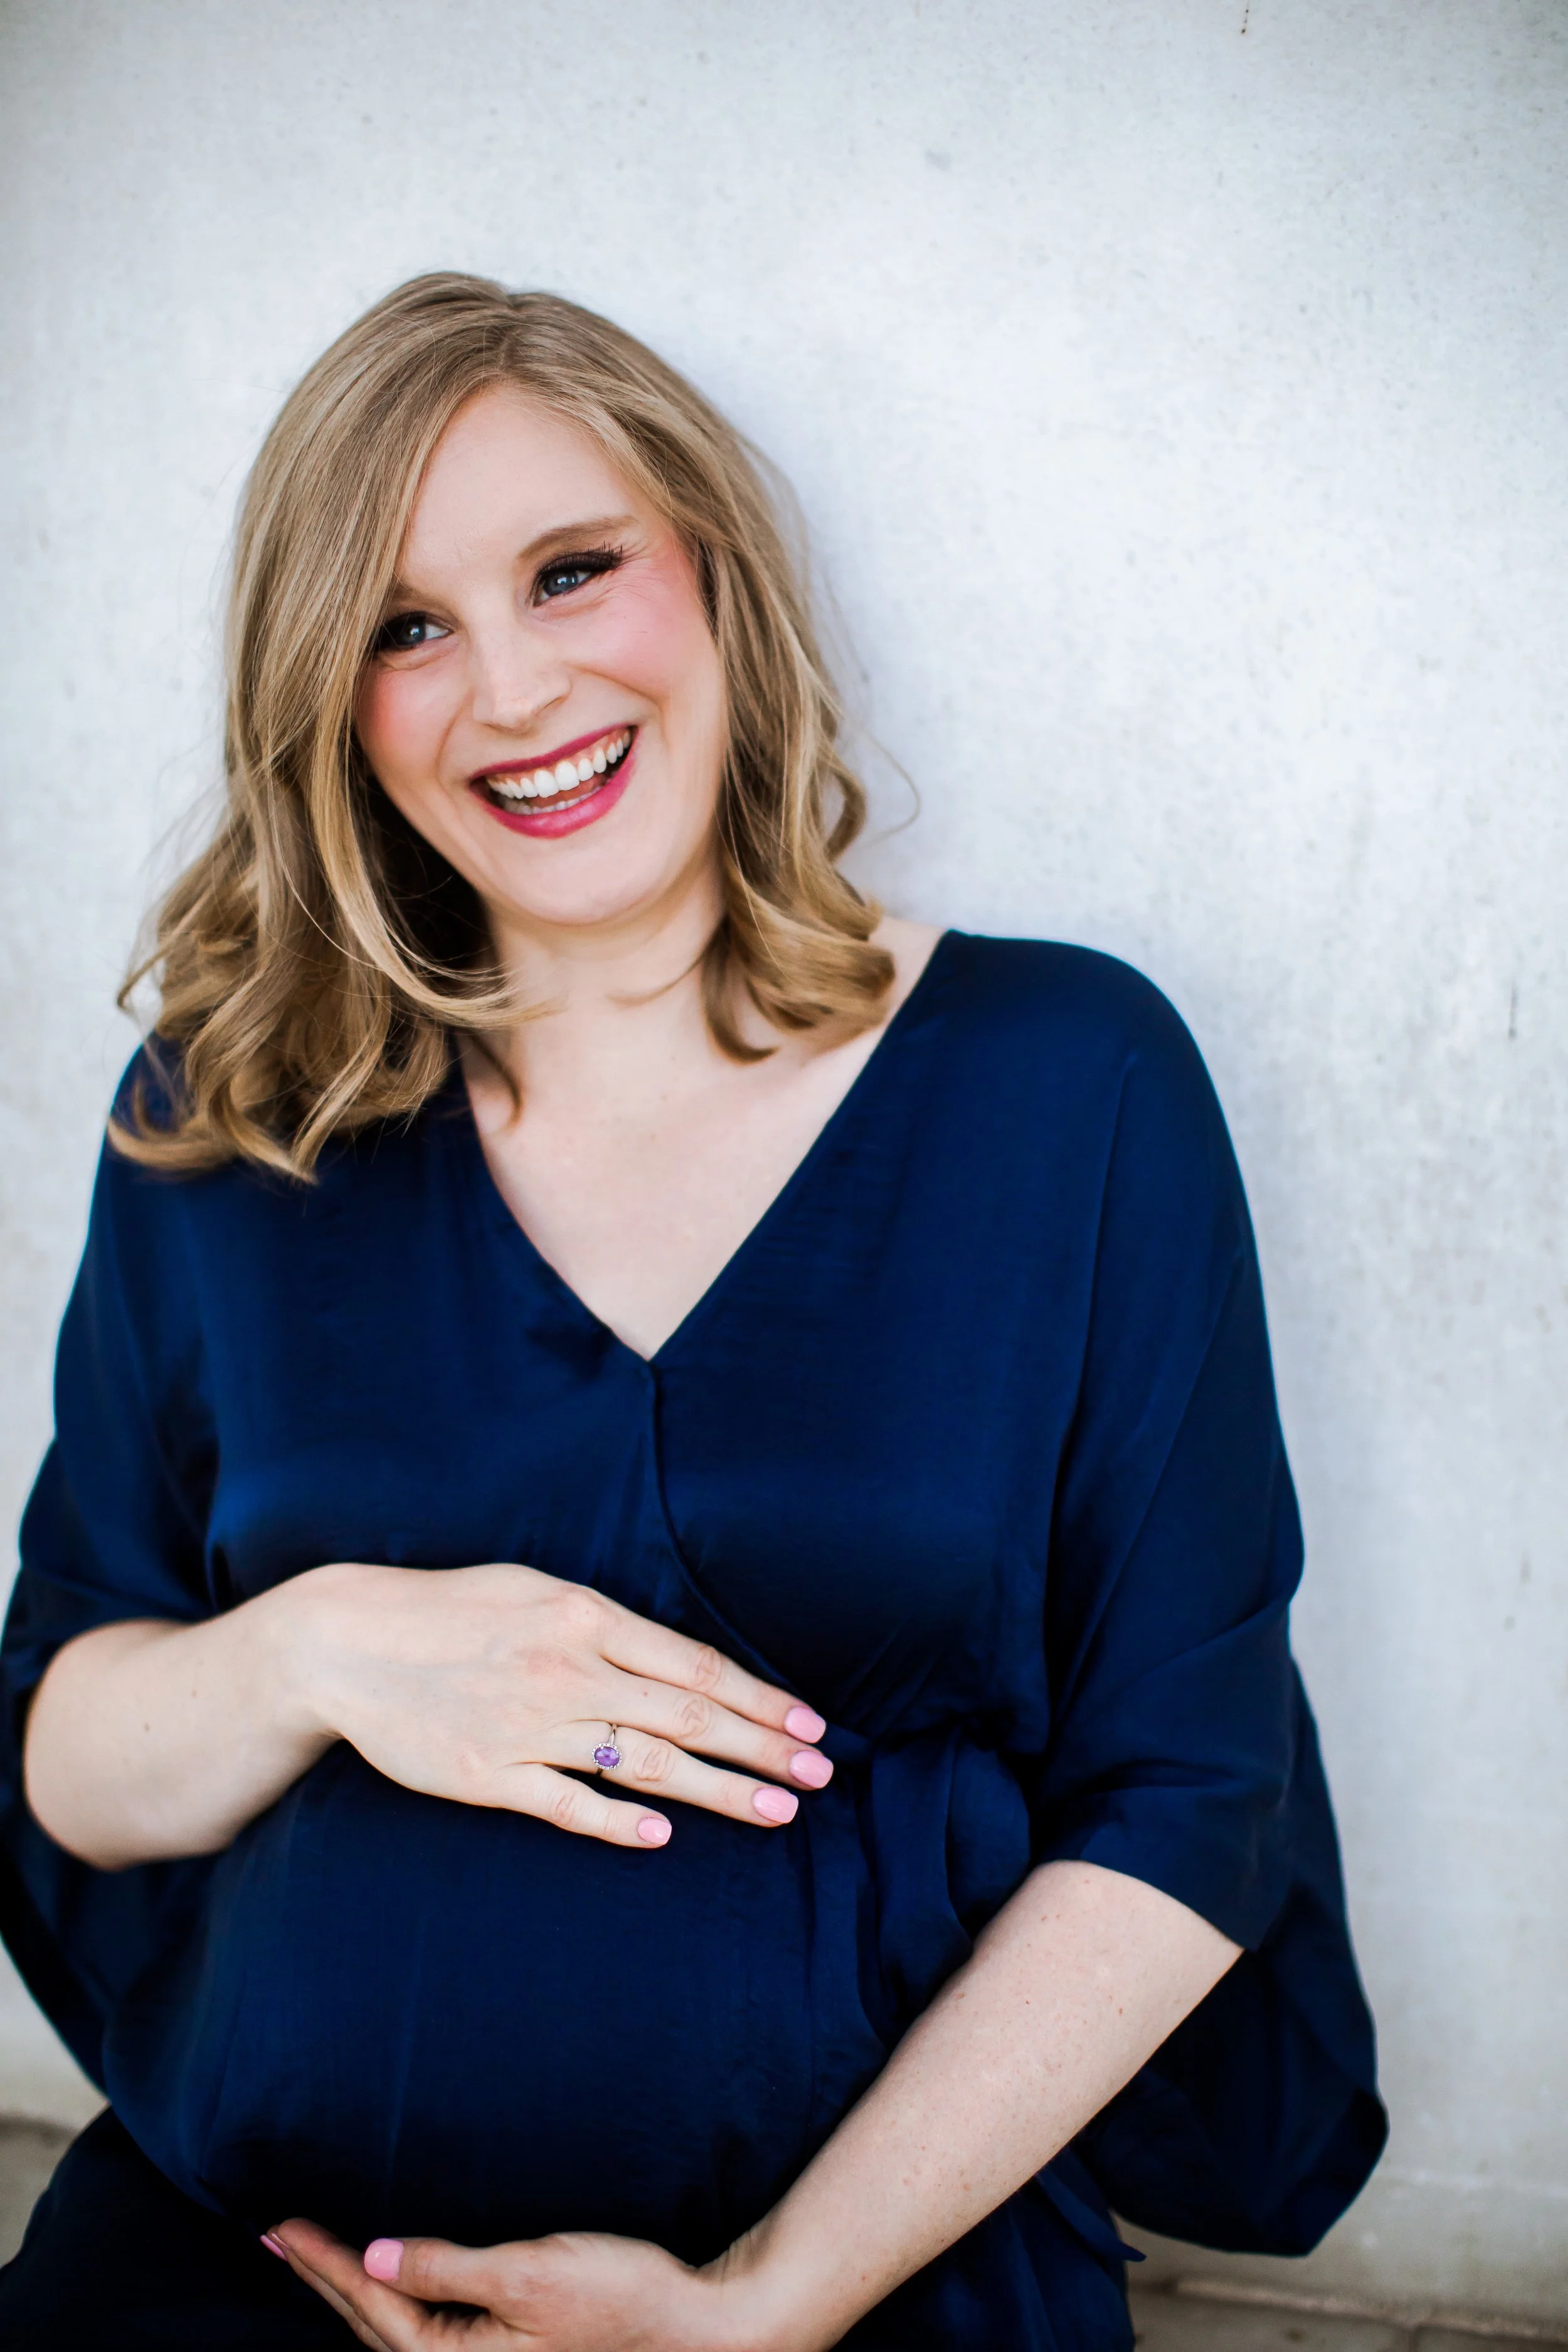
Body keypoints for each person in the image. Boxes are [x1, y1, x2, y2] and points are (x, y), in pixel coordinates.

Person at [0, 273, 1384, 2350]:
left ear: (717, 575)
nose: (512, 688)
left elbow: (1189, 1791)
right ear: (328, 705)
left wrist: (762, 2301)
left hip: (864, 2291)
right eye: (404, 627)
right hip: (247, 2263)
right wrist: (323, 1647)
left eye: (572, 570)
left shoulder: (1067, 1082)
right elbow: (68, 1753)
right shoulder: (233, 1114)